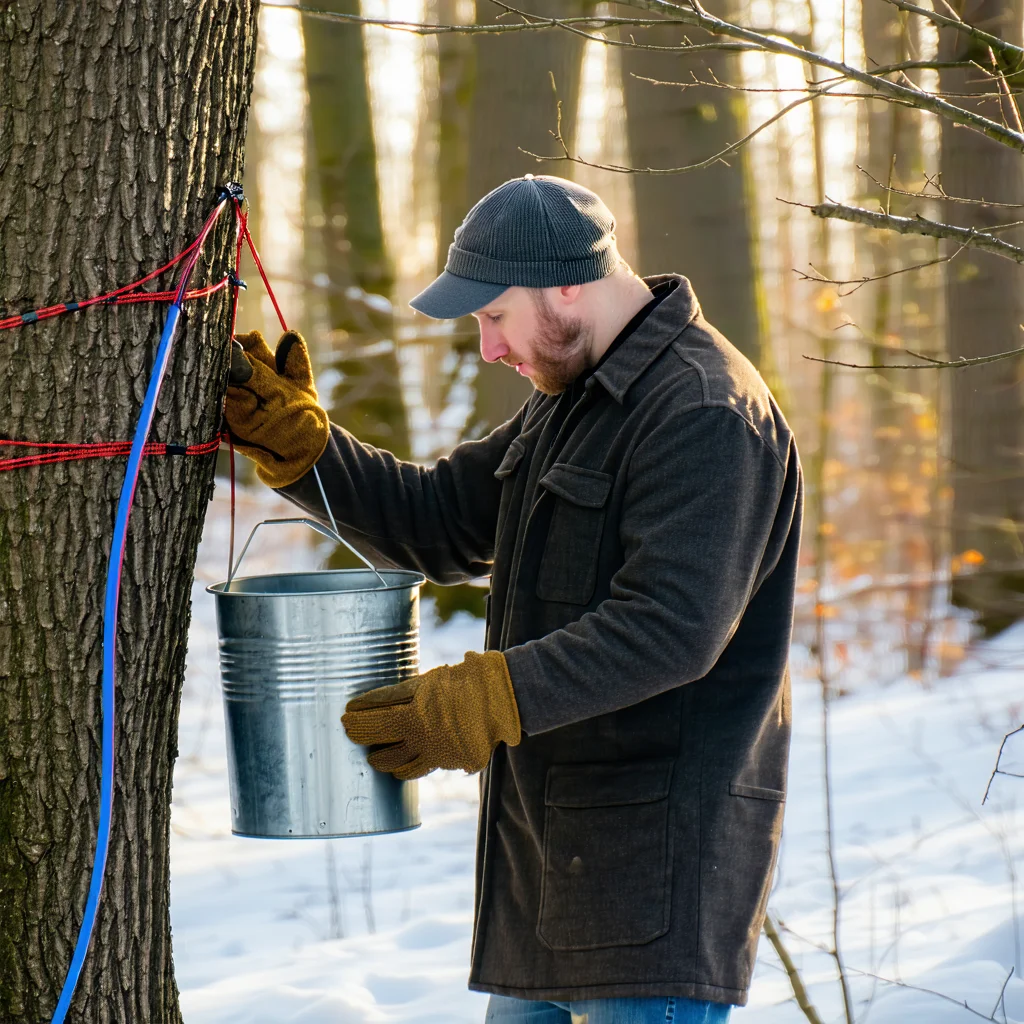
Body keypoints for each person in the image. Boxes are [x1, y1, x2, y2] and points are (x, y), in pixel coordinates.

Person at [225, 174, 803, 1024]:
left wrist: (478, 698)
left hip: (654, 888)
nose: (490, 348)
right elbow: (440, 520)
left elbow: (671, 629)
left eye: (494, 317)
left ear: (566, 281)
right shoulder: (574, 401)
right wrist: (305, 451)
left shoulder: (705, 412)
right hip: (546, 876)